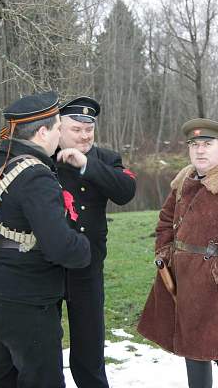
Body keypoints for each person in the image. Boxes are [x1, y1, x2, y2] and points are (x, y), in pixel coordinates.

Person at [0, 91, 92, 388]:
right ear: (42, 132)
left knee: (5, 377)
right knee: (43, 380)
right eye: (57, 128)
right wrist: (83, 247)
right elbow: (61, 248)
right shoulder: (36, 176)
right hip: (28, 298)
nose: (59, 135)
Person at [137, 118, 218, 388]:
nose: (200, 150)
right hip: (184, 280)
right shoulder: (185, 178)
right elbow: (165, 219)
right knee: (192, 349)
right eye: (194, 144)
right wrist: (165, 251)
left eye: (207, 144)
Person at [54, 96, 136, 388]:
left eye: (89, 130)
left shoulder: (106, 159)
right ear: (59, 128)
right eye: (76, 129)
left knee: (89, 348)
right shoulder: (43, 158)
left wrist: (86, 163)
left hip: (88, 268)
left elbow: (126, 191)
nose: (84, 135)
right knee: (46, 349)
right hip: (46, 267)